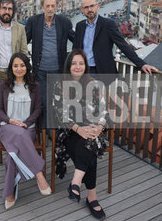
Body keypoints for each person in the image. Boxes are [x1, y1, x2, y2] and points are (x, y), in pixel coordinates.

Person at [52, 49, 110, 220]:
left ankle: (76, 183)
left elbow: (104, 112)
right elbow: (60, 114)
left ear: (86, 66)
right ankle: (92, 198)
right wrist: (78, 128)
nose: (78, 67)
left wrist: (99, 126)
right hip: (69, 132)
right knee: (89, 146)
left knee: (90, 140)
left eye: (81, 63)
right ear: (68, 66)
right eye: (74, 63)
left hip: (92, 129)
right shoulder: (59, 85)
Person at [0, 52, 51, 209]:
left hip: (28, 129)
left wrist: (26, 123)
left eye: (22, 65)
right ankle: (39, 174)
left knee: (11, 155)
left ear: (27, 67)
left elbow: (38, 109)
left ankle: (10, 192)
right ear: (11, 68)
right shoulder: (3, 86)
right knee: (18, 135)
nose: (19, 69)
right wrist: (9, 120)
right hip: (7, 128)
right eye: (15, 66)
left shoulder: (35, 86)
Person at [73, 0, 157, 75]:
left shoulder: (108, 24)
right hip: (83, 70)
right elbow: (75, 50)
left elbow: (123, 45)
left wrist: (142, 64)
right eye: (86, 7)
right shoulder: (79, 26)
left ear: (97, 7)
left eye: (92, 6)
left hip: (102, 71)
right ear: (82, 10)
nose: (89, 9)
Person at [25, 0, 75, 125]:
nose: (50, 9)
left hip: (58, 71)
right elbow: (23, 41)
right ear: (42, 7)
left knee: (57, 102)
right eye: (47, 6)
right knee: (43, 102)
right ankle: (45, 132)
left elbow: (76, 41)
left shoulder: (64, 22)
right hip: (40, 71)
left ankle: (55, 133)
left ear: (57, 7)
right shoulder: (33, 21)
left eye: (53, 6)